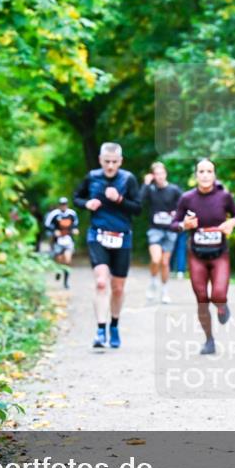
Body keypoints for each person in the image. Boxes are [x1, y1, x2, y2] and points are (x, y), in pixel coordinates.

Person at [73, 142, 142, 349]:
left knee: (118, 288)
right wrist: (86, 204)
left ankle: (114, 325)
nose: (110, 166)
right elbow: (76, 197)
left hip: (122, 236)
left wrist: (120, 199)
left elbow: (138, 209)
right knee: (102, 282)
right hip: (98, 235)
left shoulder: (128, 179)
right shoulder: (92, 177)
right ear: (100, 160)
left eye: (114, 162)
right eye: (107, 162)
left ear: (120, 161)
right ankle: (100, 330)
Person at [170, 159, 235, 355]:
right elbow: (173, 223)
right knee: (201, 298)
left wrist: (232, 223)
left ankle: (221, 305)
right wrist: (184, 225)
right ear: (196, 175)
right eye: (201, 171)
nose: (205, 175)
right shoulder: (187, 198)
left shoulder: (224, 196)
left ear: (214, 175)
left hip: (220, 254)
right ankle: (209, 340)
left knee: (218, 295)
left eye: (209, 171)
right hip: (196, 255)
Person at [140, 162, 183, 303]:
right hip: (155, 229)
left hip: (170, 230)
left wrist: (177, 213)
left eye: (161, 173)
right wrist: (146, 184)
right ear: (153, 175)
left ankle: (164, 291)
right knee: (155, 259)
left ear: (166, 174)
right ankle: (153, 282)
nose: (159, 176)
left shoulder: (174, 190)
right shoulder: (150, 190)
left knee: (165, 262)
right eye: (156, 174)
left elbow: (184, 205)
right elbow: (139, 201)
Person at [44, 197, 79, 289]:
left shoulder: (71, 214)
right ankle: (58, 271)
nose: (63, 206)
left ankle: (66, 282)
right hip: (58, 241)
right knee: (59, 260)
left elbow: (75, 224)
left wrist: (75, 230)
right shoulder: (54, 214)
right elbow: (47, 225)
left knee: (67, 261)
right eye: (61, 204)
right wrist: (54, 231)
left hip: (68, 239)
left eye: (65, 204)